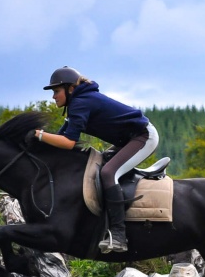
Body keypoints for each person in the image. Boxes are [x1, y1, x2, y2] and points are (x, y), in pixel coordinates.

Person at [33, 66, 159, 253]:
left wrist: (40, 135)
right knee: (98, 169)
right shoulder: (78, 102)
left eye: (56, 91)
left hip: (143, 137)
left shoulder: (81, 103)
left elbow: (68, 143)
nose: (53, 96)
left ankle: (118, 235)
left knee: (109, 173)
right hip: (127, 140)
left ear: (70, 89)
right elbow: (60, 140)